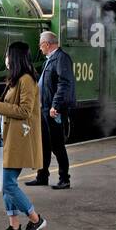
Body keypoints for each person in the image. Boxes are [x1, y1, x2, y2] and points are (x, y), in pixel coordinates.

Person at [0, 41, 46, 230]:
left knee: (9, 185)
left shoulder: (26, 80)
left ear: (15, 57)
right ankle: (14, 226)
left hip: (19, 139)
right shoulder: (16, 80)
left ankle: (35, 219)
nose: (5, 59)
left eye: (7, 55)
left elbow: (25, 111)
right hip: (9, 138)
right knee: (6, 184)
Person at [27, 30, 75, 189]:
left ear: (47, 44)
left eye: (41, 45)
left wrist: (56, 105)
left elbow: (64, 84)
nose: (40, 48)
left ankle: (64, 178)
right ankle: (42, 175)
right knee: (44, 144)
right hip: (45, 108)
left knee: (57, 144)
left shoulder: (61, 58)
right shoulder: (51, 59)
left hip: (54, 109)